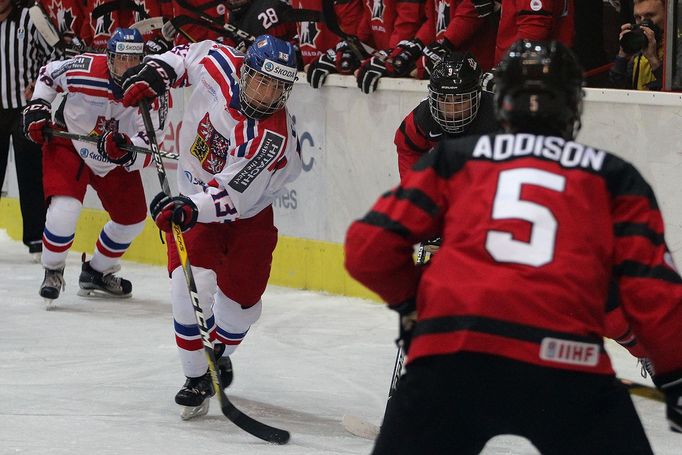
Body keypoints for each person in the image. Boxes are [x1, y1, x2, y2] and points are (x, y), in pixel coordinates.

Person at [345, 39, 682, 454]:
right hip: (564, 362)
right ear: (575, 106)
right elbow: (657, 294)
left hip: (452, 355)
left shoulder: (454, 160)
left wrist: (414, 301)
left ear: (497, 100)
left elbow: (367, 250)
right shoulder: (614, 176)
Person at [120, 34, 302, 420]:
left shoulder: (270, 137)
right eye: (262, 81)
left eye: (278, 87)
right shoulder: (220, 62)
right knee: (190, 286)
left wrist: (188, 207)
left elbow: (229, 197)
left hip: (248, 212)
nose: (267, 94)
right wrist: (156, 72)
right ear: (245, 70)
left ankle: (217, 357)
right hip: (193, 195)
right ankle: (194, 378)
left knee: (243, 306)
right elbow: (183, 58)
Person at [21, 28, 161, 304]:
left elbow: (150, 144)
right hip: (70, 142)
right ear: (108, 57)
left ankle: (97, 271)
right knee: (65, 209)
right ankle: (53, 270)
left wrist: (126, 148)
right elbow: (48, 74)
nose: (129, 67)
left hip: (113, 153)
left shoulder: (152, 90)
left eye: (134, 60)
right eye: (122, 59)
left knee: (131, 219)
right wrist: (38, 106)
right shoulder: (85, 69)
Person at [0, 0, 54, 260]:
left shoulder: (31, 18)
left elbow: (55, 55)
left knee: (30, 174)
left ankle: (36, 239)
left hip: (24, 108)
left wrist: (39, 82)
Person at [394, 52, 497, 179]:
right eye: (444, 100)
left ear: (477, 97)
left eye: (460, 100)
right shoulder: (423, 117)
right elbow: (408, 148)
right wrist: (413, 188)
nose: (452, 109)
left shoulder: (498, 115)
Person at [609, 0, 664, 91]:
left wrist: (653, 59)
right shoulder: (638, 51)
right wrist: (623, 55)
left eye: (650, 16)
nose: (643, 23)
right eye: (638, 17)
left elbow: (675, 90)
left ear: (667, 16)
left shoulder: (675, 47)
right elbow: (616, 90)